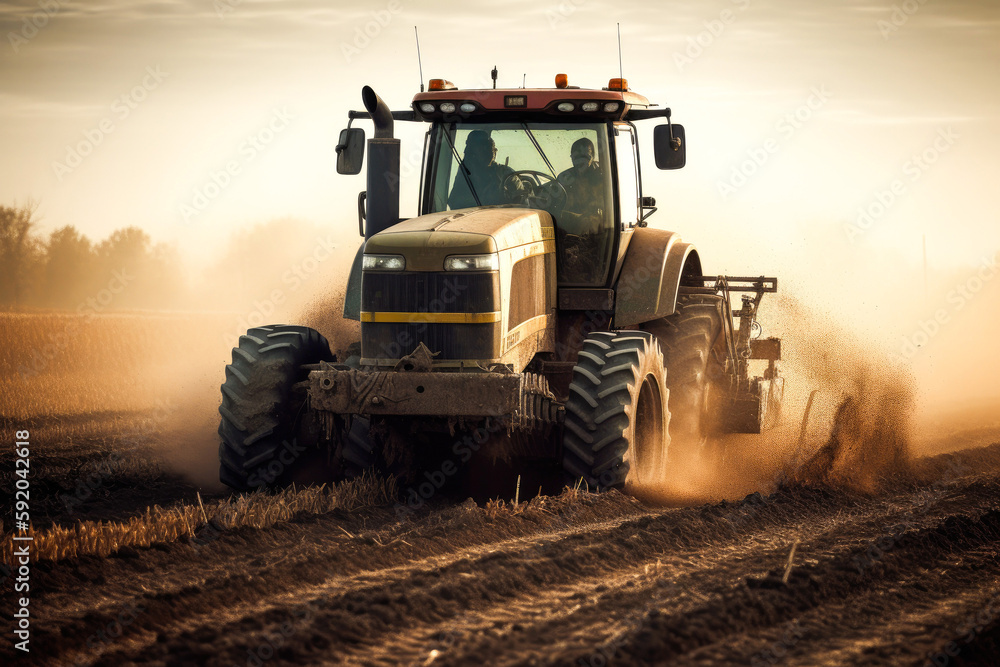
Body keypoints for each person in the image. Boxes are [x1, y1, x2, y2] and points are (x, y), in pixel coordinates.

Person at [553, 137, 609, 283]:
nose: (580, 161)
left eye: (585, 156)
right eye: (576, 157)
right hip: (567, 229)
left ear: (593, 156)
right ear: (571, 157)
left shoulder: (604, 177)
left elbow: (606, 208)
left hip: (595, 230)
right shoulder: (564, 177)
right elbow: (554, 202)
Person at [447, 130, 515, 209]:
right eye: (482, 149)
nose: (489, 153)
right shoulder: (466, 174)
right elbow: (455, 204)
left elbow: (521, 200)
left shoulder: (505, 173)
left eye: (490, 149)